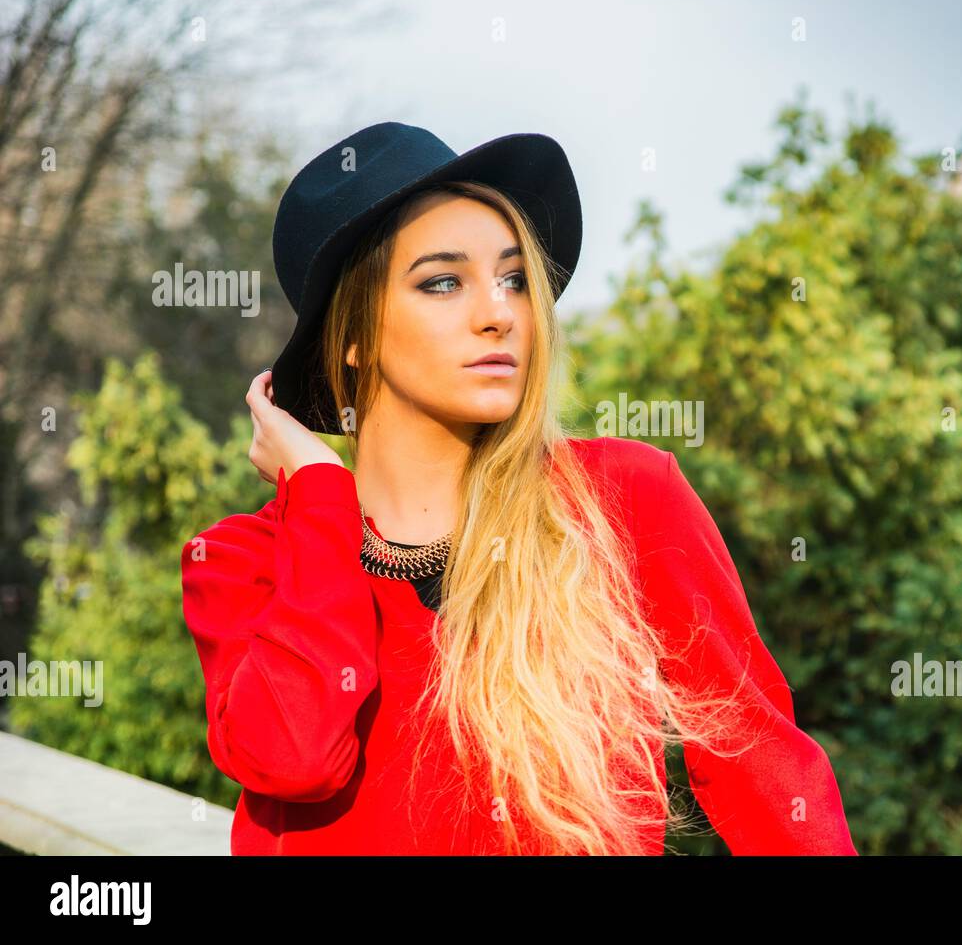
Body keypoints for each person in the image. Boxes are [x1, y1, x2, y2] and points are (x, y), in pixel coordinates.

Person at [179, 122, 857, 855]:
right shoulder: (243, 559)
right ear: (352, 334)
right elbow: (295, 757)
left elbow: (764, 771)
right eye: (443, 281)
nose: (499, 313)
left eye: (513, 279)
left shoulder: (625, 498)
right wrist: (318, 493)